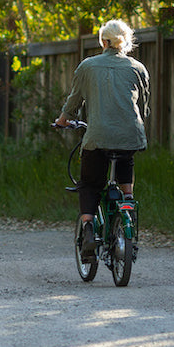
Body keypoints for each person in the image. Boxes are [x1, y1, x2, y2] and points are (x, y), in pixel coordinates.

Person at [54, 19, 150, 261]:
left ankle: (88, 228)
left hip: (98, 137)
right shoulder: (138, 68)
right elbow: (145, 108)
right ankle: (128, 204)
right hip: (131, 135)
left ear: (104, 42)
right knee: (125, 163)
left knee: (89, 183)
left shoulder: (88, 66)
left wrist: (63, 120)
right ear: (125, 42)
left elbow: (73, 102)